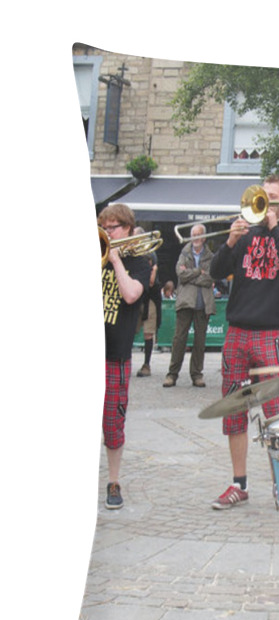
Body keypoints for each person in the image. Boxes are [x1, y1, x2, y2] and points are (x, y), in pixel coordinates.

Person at [208, 174, 279, 510]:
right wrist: (231, 242)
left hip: (269, 332)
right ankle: (239, 484)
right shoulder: (243, 229)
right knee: (235, 410)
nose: (265, 200)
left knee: (277, 412)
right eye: (262, 195)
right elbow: (216, 272)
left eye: (273, 196)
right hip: (237, 330)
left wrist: (273, 227)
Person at [98, 204, 150, 510]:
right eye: (104, 227)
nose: (108, 232)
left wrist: (115, 258)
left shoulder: (140, 262)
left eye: (113, 227)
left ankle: (113, 481)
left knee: (113, 423)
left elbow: (130, 294)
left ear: (128, 229)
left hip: (115, 354)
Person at [163, 224, 216, 388]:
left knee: (200, 342)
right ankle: (172, 374)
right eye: (194, 234)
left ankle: (197, 374)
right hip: (186, 302)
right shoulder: (184, 252)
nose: (196, 238)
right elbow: (180, 274)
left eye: (199, 234)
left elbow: (210, 278)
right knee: (179, 339)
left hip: (203, 303)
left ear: (204, 237)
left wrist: (191, 274)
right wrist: (199, 272)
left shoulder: (211, 256)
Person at [134, 230, 162, 377]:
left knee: (148, 332)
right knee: (129, 329)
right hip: (135, 295)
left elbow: (151, 282)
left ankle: (146, 364)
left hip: (149, 297)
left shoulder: (150, 253)